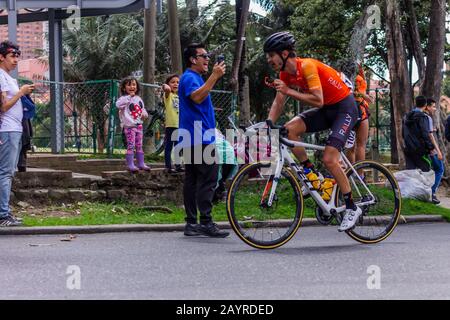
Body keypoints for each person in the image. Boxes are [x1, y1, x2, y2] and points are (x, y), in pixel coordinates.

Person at [263, 31, 361, 232]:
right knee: (288, 130)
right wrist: (268, 124)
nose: (269, 60)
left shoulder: (306, 66)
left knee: (329, 158)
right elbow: (278, 102)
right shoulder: (284, 74)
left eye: (271, 55)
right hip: (327, 110)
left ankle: (352, 207)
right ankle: (312, 174)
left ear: (284, 53)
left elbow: (318, 99)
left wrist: (289, 90)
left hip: (344, 108)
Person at [178, 43, 229, 238]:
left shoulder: (194, 78)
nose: (207, 59)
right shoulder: (190, 77)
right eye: (203, 56)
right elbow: (197, 98)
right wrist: (214, 76)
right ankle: (205, 222)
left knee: (193, 180)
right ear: (193, 59)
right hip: (198, 136)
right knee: (208, 178)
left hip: (193, 135)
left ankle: (191, 223)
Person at [0, 41, 34, 226]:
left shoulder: (8, 77)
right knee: (5, 173)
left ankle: (5, 213)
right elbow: (3, 107)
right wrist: (21, 92)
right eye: (12, 56)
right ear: (1, 56)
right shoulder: (0, 76)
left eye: (17, 56)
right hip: (7, 130)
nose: (15, 60)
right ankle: (3, 215)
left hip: (15, 129)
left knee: (8, 172)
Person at [116, 77, 151, 172]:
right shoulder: (123, 98)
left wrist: (145, 114)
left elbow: (142, 108)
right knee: (131, 145)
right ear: (124, 88)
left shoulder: (138, 98)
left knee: (139, 145)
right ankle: (130, 164)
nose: (132, 86)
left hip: (139, 126)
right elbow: (118, 105)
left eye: (134, 84)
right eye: (129, 85)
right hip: (129, 127)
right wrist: (129, 97)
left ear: (137, 87)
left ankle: (141, 163)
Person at [346, 64, 372, 171]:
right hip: (357, 109)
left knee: (356, 146)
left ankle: (356, 175)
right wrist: (363, 95)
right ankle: (356, 175)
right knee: (357, 145)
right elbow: (350, 91)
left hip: (356, 110)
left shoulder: (359, 74)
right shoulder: (353, 77)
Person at [403, 96, 434, 172]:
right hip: (420, 149)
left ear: (415, 103)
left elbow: (402, 133)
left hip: (408, 147)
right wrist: (430, 147)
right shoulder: (422, 117)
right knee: (426, 170)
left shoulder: (406, 116)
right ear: (425, 105)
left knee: (410, 172)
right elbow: (425, 133)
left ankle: (410, 184)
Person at [162, 74, 184, 174]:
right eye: (173, 82)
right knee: (169, 147)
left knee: (179, 146)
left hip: (180, 126)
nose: (176, 84)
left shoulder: (180, 97)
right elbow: (166, 89)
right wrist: (165, 86)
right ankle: (168, 166)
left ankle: (178, 165)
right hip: (171, 125)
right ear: (168, 84)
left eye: (178, 82)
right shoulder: (168, 95)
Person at [424, 98, 443, 204]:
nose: (435, 109)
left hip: (421, 149)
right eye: (433, 106)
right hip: (431, 149)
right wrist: (438, 151)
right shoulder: (428, 118)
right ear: (427, 106)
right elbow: (430, 136)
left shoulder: (420, 117)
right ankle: (433, 192)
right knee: (440, 169)